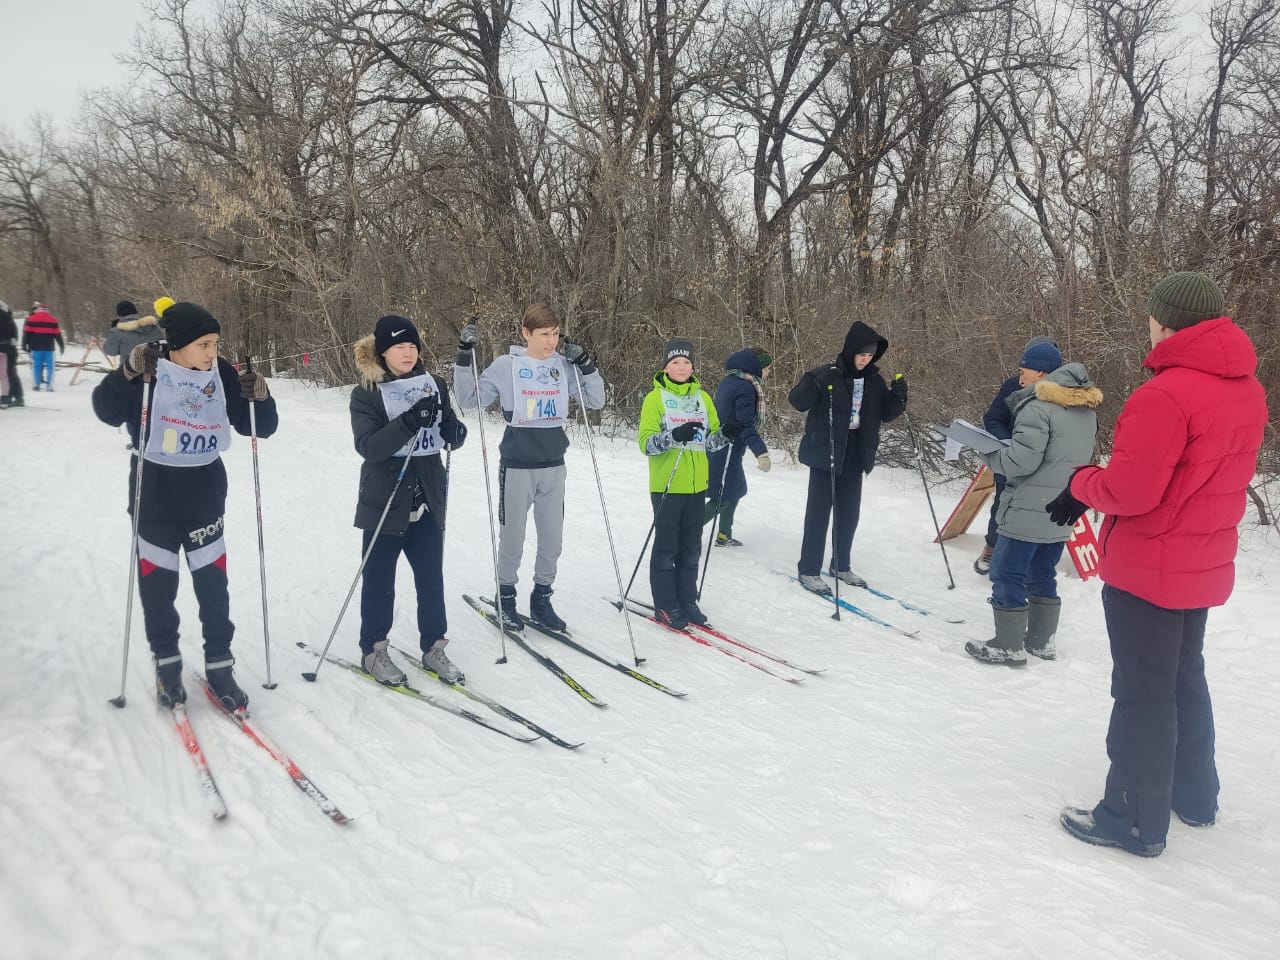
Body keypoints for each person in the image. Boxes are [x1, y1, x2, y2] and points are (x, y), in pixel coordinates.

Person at [1049, 273, 1268, 858]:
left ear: (1165, 322)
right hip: (1201, 561)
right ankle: (1194, 796)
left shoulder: (1166, 393)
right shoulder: (1245, 386)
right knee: (1182, 677)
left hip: (1151, 564)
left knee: (1144, 691)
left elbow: (1132, 489)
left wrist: (1080, 483)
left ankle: (1132, 817)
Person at [91, 301, 278, 711]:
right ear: (176, 344)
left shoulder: (221, 372)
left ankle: (220, 665)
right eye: (203, 344)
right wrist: (125, 373)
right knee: (159, 590)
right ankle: (168, 664)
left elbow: (258, 427)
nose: (212, 352)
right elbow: (104, 411)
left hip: (204, 496)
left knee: (214, 590)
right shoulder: (149, 369)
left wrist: (260, 397)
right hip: (153, 495)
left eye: (215, 343)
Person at [453, 304, 604, 632]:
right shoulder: (507, 366)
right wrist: (465, 354)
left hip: (553, 464)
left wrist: (586, 365)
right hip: (518, 464)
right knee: (513, 537)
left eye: (556, 334)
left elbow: (596, 401)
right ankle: (505, 597)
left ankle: (541, 599)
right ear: (526, 333)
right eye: (544, 334)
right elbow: (468, 399)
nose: (551, 341)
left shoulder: (562, 366)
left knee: (552, 540)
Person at [963, 345, 1101, 666]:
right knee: (1042, 572)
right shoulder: (1084, 410)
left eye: (1024, 368)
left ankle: (1007, 645)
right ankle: (1041, 641)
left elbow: (1020, 462)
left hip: (1027, 507)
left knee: (1007, 571)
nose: (1019, 374)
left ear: (1041, 373)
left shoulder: (1037, 408)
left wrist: (989, 452)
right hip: (1059, 507)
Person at [350, 315, 468, 685]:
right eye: (400, 346)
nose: (408, 352)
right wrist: (408, 422)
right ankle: (374, 649)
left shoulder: (434, 384)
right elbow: (368, 447)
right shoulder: (366, 393)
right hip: (385, 503)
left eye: (413, 345)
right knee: (379, 580)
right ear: (383, 352)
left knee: (431, 579)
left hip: (427, 499)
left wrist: (454, 431)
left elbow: (446, 427)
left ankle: (435, 647)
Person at [789, 321, 907, 595]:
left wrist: (900, 396)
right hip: (826, 452)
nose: (865, 360)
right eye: (861, 355)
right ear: (850, 351)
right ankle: (808, 569)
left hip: (855, 451)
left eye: (870, 356)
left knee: (849, 513)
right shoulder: (828, 375)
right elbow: (797, 401)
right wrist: (816, 382)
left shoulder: (874, 381)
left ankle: (841, 565)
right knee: (818, 514)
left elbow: (886, 413)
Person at [638, 339, 738, 628]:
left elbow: (712, 441)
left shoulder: (703, 399)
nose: (681, 367)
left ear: (693, 366)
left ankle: (687, 600)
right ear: (665, 367)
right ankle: (666, 605)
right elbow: (646, 444)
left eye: (686, 362)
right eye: (675, 363)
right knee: (667, 547)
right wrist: (673, 436)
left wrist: (727, 434)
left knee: (692, 547)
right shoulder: (654, 399)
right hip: (667, 485)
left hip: (697, 486)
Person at [975, 336, 1060, 574]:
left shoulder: (1063, 393)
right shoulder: (1014, 385)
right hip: (1011, 461)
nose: (1024, 375)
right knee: (1002, 508)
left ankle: (1029, 562)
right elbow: (993, 418)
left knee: (1038, 514)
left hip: (1044, 470)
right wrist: (1007, 443)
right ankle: (991, 548)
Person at [704, 346, 773, 547]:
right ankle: (687, 532)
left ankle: (724, 534)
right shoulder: (745, 387)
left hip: (727, 448)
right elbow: (745, 425)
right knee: (722, 497)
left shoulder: (732, 380)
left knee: (735, 490)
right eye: (767, 368)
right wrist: (761, 452)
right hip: (724, 448)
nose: (768, 373)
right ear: (756, 368)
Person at [22, 302, 64, 391]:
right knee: (50, 367)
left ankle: (36, 385)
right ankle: (49, 387)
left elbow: (26, 334)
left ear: (38, 310)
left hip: (36, 348)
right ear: (47, 311)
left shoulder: (31, 319)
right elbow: (58, 335)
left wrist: (24, 344)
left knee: (36, 366)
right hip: (49, 348)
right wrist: (61, 346)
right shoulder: (53, 320)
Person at [0, 300, 21, 408]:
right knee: (7, 375)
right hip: (8, 349)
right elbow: (14, 337)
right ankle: (7, 398)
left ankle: (15, 397)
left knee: (8, 374)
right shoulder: (9, 319)